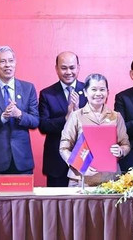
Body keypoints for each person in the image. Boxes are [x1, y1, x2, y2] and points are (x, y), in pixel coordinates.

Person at [0, 46, 39, 187]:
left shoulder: (28, 88)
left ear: (15, 63)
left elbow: (35, 121)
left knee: (23, 206)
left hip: (22, 160)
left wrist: (19, 114)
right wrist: (2, 117)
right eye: (3, 61)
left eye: (11, 61)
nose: (7, 65)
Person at [59, 73, 130, 187]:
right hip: (80, 179)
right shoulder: (76, 116)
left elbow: (125, 144)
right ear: (86, 92)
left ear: (107, 92)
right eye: (94, 89)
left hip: (110, 180)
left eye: (102, 89)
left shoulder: (116, 116)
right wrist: (80, 166)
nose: (98, 93)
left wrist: (121, 150)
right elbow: (64, 148)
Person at [38, 51, 87, 187]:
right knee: (55, 206)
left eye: (72, 68)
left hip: (85, 158)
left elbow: (98, 121)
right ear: (56, 69)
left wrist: (78, 114)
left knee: (84, 205)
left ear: (78, 68)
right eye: (64, 68)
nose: (68, 72)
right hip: (56, 161)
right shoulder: (47, 94)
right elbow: (43, 125)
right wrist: (66, 118)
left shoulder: (90, 91)